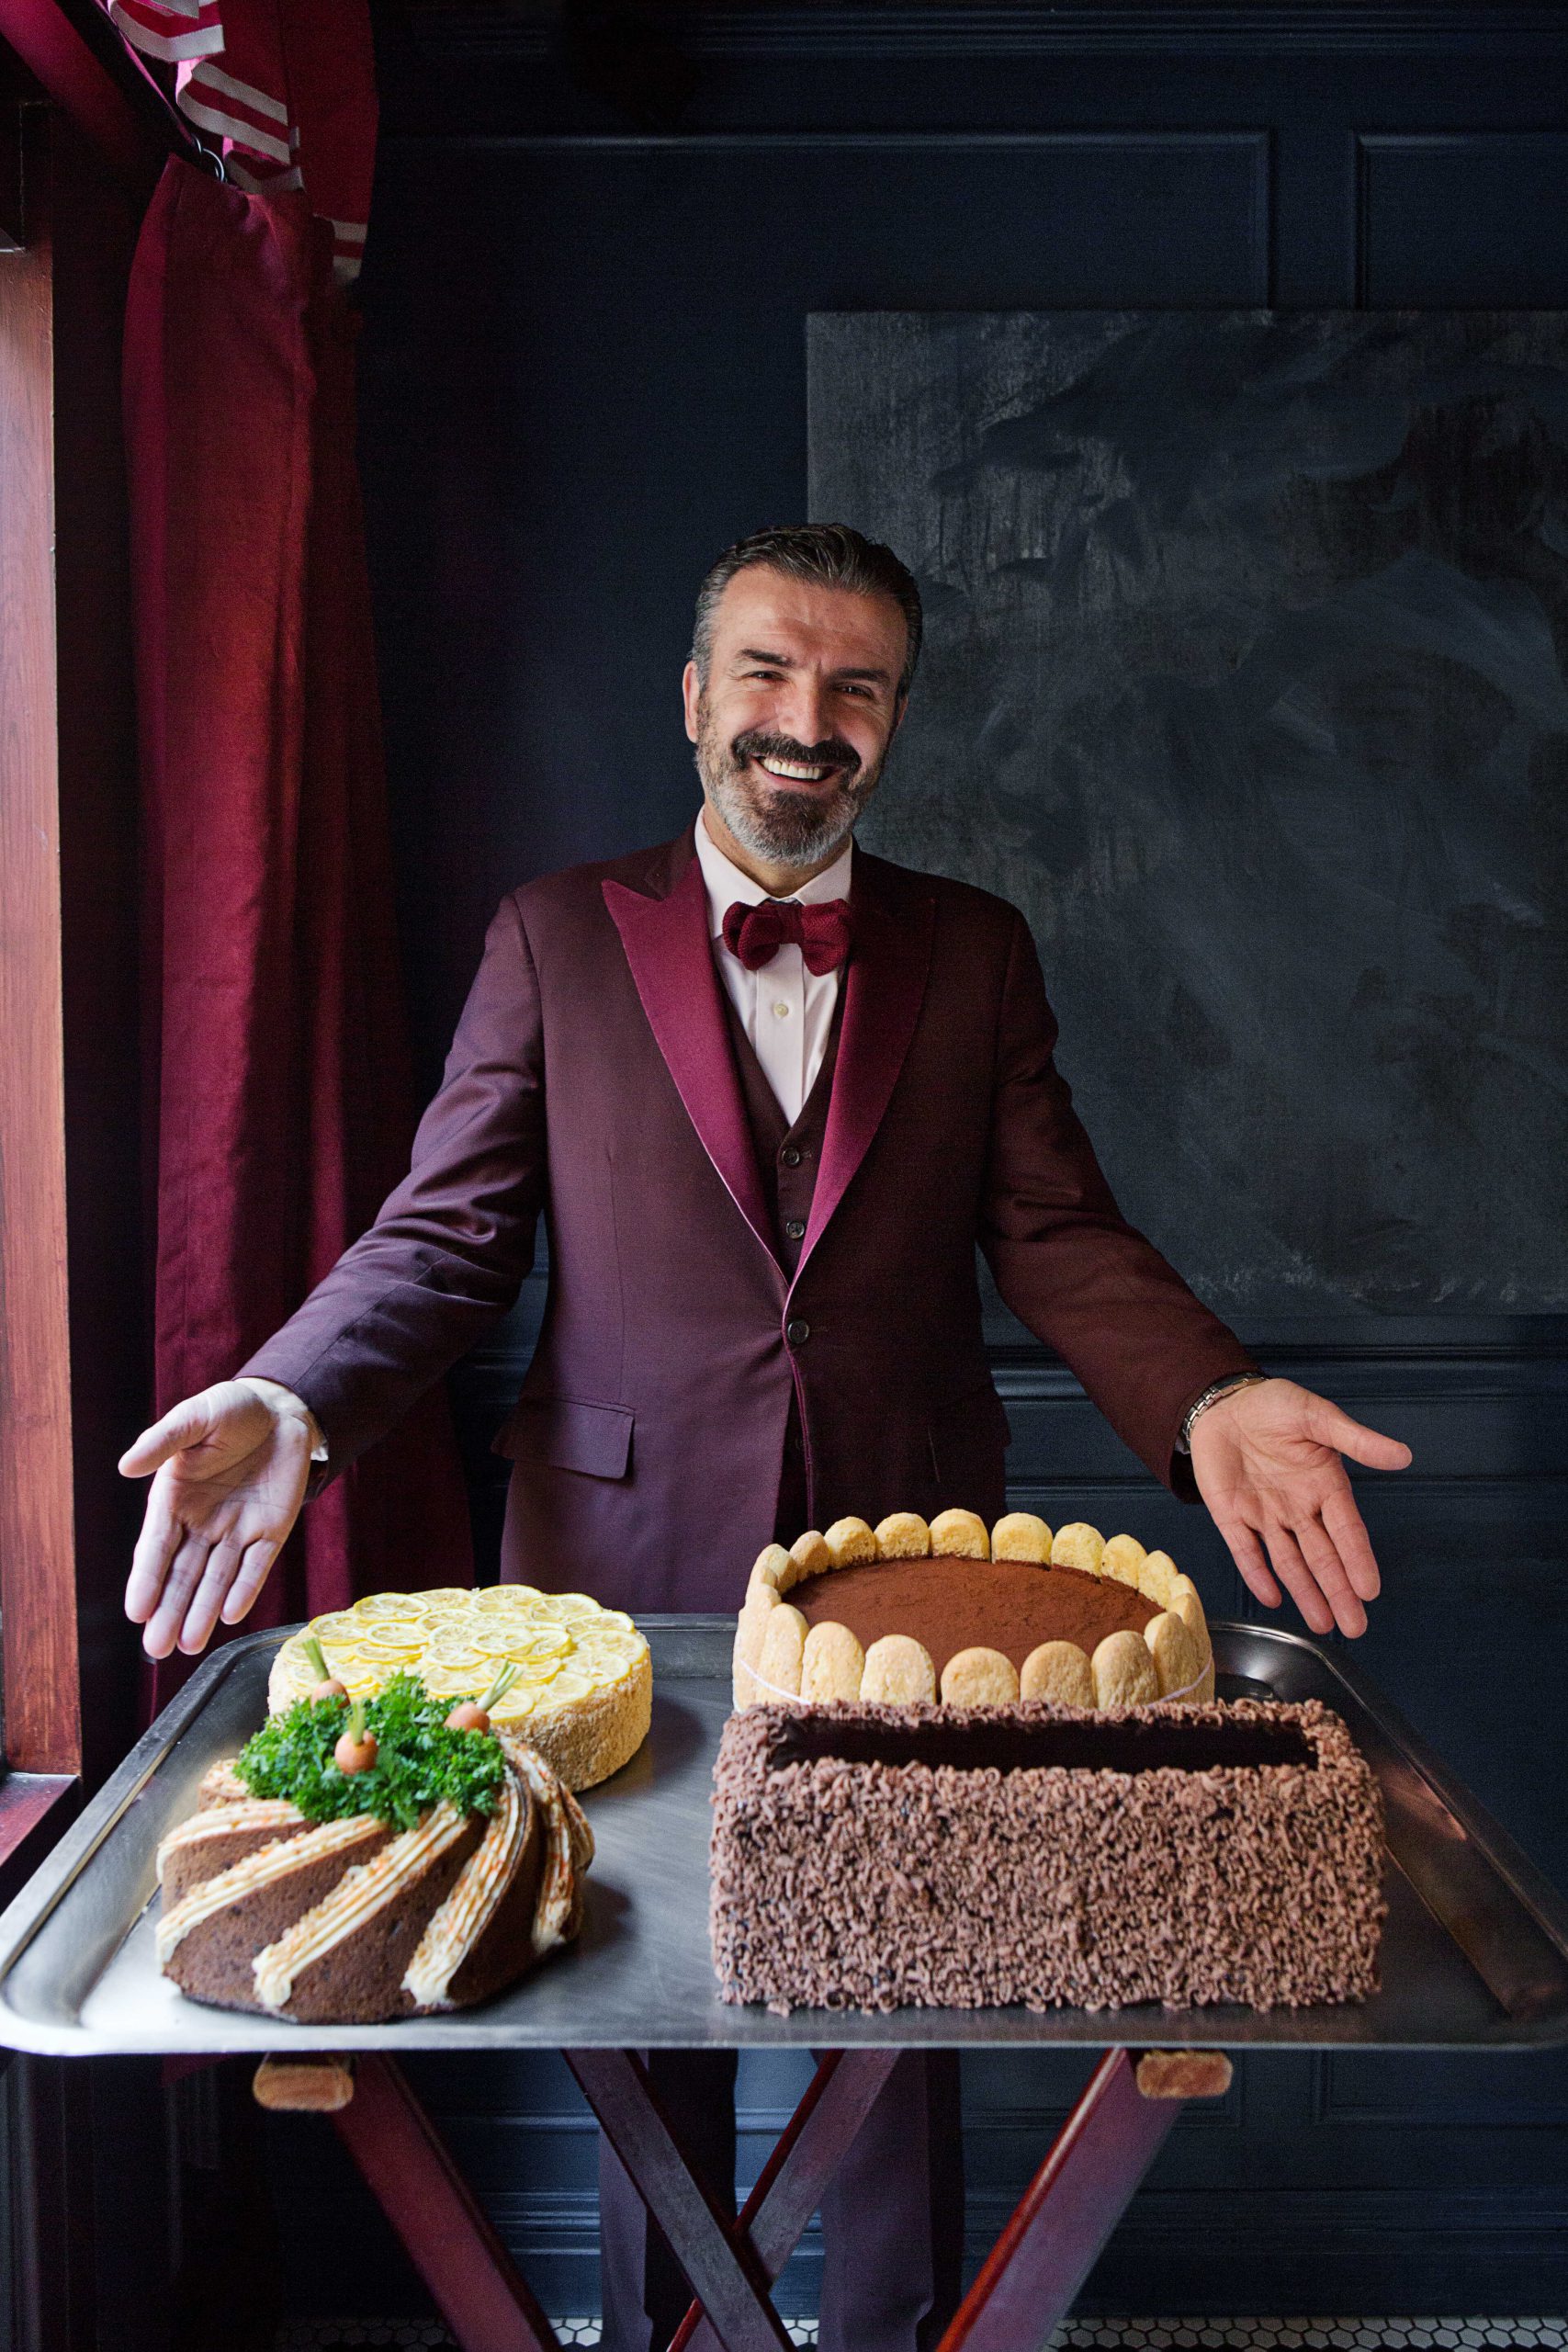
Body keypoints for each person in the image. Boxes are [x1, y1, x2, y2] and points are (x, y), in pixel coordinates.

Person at [121, 523, 1412, 2352]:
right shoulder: (553, 933)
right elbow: (445, 1234)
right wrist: (295, 1394)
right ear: (692, 697)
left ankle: (894, 2328)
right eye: (766, 674)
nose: (803, 722)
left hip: (915, 1585)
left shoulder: (973, 948)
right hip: (612, 1573)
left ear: (892, 720)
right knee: (630, 2010)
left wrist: (1203, 1391)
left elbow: (1054, 1232)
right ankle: (662, 2328)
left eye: (852, 688)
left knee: (913, 1990)